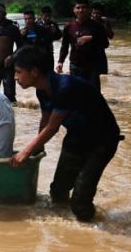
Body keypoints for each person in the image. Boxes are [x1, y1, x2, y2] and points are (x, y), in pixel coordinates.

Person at [10, 46, 122, 222]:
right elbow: (45, 120)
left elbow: (53, 127)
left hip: (102, 140)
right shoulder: (42, 90)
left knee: (80, 202)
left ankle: (92, 232)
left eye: (18, 72)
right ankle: (64, 228)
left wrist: (26, 152)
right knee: (58, 191)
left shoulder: (65, 87)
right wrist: (39, 148)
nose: (15, 77)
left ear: (34, 72)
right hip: (77, 136)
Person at [57, 0, 109, 91]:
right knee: (76, 95)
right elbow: (64, 46)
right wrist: (60, 62)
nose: (81, 10)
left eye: (84, 7)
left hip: (92, 66)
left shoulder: (97, 26)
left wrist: (91, 38)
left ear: (89, 9)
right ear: (74, 10)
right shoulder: (69, 26)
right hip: (75, 66)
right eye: (78, 7)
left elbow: (105, 44)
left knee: (94, 95)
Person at [91, 2, 114, 81]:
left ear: (102, 14)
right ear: (91, 13)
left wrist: (105, 26)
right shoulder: (88, 22)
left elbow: (111, 36)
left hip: (101, 51)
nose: (95, 15)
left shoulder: (104, 22)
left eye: (98, 13)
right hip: (89, 52)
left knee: (104, 74)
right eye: (94, 13)